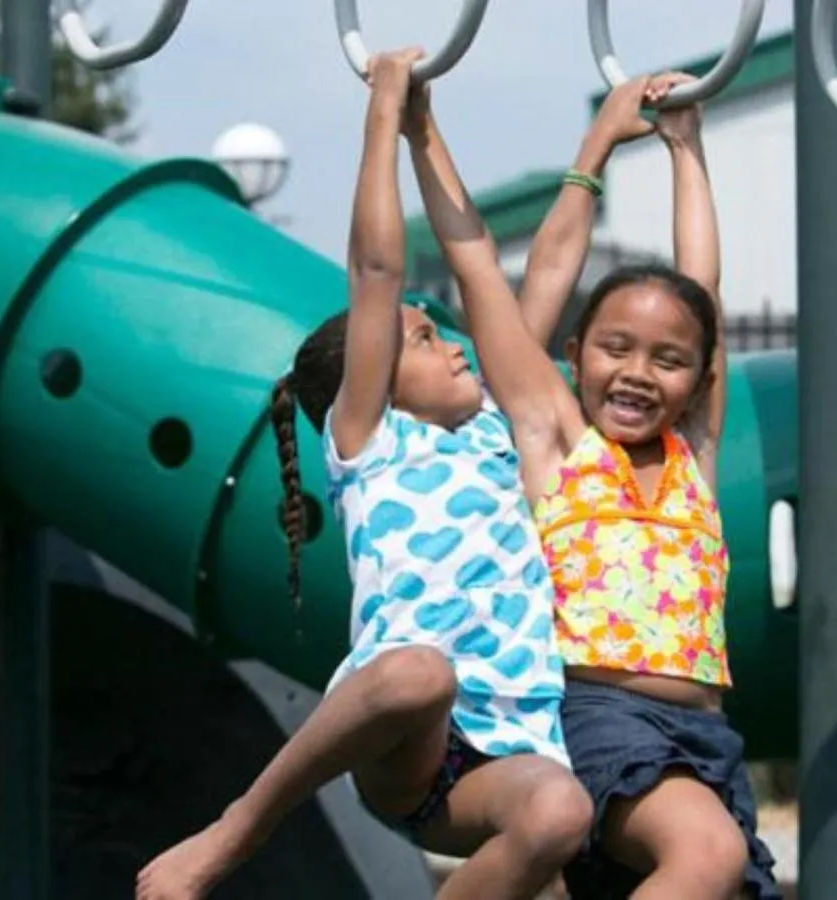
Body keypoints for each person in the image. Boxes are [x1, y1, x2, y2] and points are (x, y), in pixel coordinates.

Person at [135, 49, 590, 900]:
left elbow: (480, 261)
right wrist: (382, 111)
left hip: (505, 747)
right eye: (421, 339)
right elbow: (378, 271)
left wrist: (428, 129)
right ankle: (233, 831)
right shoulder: (371, 443)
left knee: (562, 815)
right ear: (374, 382)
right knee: (422, 671)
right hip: (405, 741)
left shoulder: (500, 432)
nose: (450, 344)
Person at [405, 72, 780, 899]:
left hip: (706, 737)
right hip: (598, 720)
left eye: (669, 358)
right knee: (706, 857)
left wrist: (687, 148)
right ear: (575, 354)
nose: (639, 373)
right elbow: (481, 273)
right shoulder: (560, 444)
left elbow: (703, 288)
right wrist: (593, 147)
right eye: (616, 347)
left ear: (701, 374)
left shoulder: (694, 458)